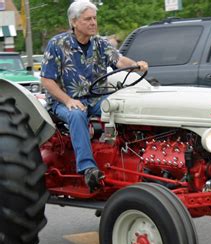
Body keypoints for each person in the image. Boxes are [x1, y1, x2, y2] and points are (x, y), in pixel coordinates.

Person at [41, 0, 148, 192]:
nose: (93, 23)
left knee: (121, 105)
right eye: (88, 19)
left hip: (95, 99)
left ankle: (133, 156)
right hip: (64, 100)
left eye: (94, 18)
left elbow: (119, 60)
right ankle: (88, 168)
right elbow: (47, 80)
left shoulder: (100, 44)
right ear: (74, 22)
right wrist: (68, 100)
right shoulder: (57, 44)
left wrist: (137, 65)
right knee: (76, 114)